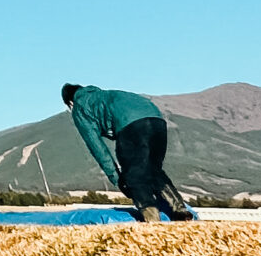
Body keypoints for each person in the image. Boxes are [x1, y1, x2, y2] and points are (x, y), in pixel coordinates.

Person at [63, 82, 194, 221]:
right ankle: (181, 210)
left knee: (134, 175)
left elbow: (97, 147)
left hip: (130, 125)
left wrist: (117, 179)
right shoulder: (107, 95)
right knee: (153, 169)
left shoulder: (79, 107)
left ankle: (153, 219)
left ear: (70, 103)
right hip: (157, 120)